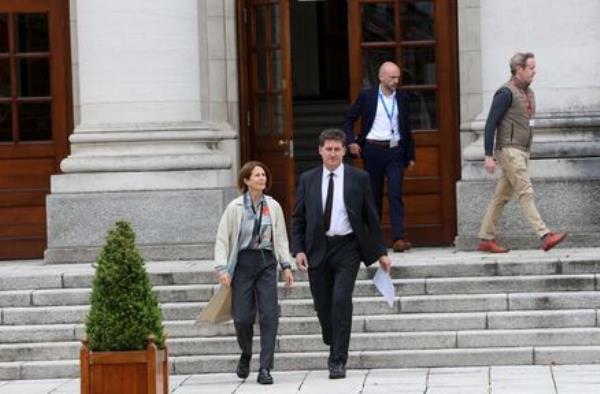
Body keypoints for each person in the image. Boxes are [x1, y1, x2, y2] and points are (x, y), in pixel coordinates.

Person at [292, 128, 392, 379]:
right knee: (323, 305)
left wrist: (381, 251)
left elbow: (371, 216)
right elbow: (298, 218)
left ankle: (338, 360)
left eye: (338, 149)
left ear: (345, 151)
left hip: (348, 248)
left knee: (340, 301)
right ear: (320, 151)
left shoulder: (359, 178)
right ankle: (331, 334)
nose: (333, 153)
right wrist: (299, 249)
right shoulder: (308, 179)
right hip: (317, 248)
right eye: (329, 149)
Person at [477, 52, 567, 253]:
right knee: (526, 192)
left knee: (501, 197)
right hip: (509, 151)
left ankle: (485, 238)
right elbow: (490, 123)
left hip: (523, 151)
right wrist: (488, 155)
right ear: (519, 70)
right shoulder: (505, 93)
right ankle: (544, 235)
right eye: (531, 68)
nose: (534, 72)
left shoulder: (529, 93)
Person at [214, 161, 294, 385]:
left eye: (263, 175)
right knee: (241, 317)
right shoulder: (235, 207)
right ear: (246, 180)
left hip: (266, 262)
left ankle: (265, 367)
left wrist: (286, 266)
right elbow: (222, 239)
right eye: (257, 175)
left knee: (269, 315)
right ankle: (246, 353)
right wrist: (222, 268)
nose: (262, 178)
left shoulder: (273, 206)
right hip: (243, 264)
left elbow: (280, 238)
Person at [343, 61, 416, 252]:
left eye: (398, 77)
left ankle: (399, 237)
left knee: (395, 193)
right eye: (392, 77)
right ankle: (374, 239)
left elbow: (406, 127)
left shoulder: (402, 97)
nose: (396, 81)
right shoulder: (367, 95)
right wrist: (351, 142)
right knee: (373, 195)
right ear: (381, 77)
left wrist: (410, 155)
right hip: (373, 150)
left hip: (395, 151)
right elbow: (349, 118)